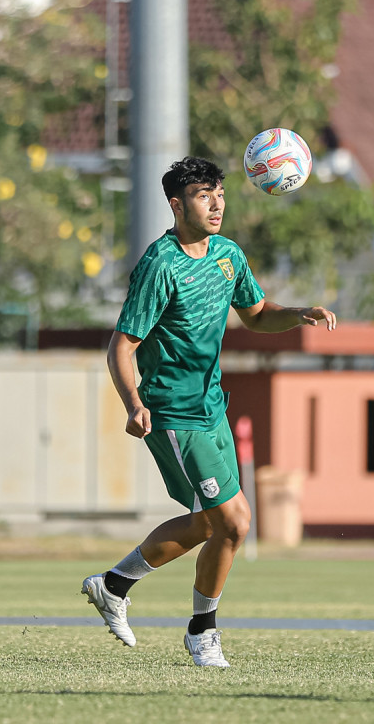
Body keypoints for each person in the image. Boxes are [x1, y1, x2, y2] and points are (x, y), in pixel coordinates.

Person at [82, 156, 337, 667]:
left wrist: (298, 314)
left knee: (211, 525)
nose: (218, 203)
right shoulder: (160, 264)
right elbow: (122, 346)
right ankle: (202, 632)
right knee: (235, 523)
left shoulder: (227, 255)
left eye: (220, 192)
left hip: (213, 408)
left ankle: (114, 585)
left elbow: (258, 315)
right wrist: (134, 404)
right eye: (204, 194)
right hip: (173, 414)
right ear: (177, 205)